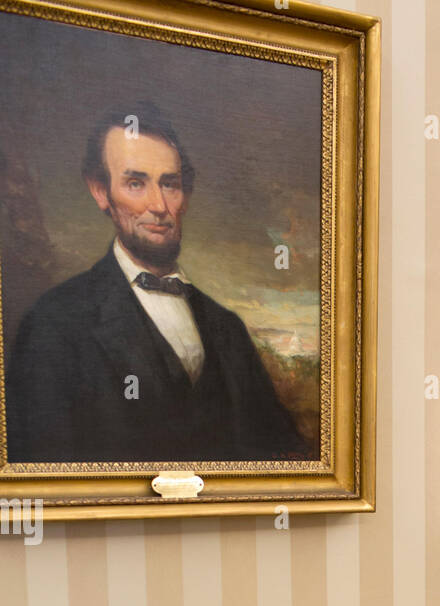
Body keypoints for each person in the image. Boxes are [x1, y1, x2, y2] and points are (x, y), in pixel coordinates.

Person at [6, 103, 308, 464]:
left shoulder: (226, 328)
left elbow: (283, 458)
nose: (159, 205)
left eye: (170, 184)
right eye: (136, 183)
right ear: (100, 191)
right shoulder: (53, 323)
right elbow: (42, 472)